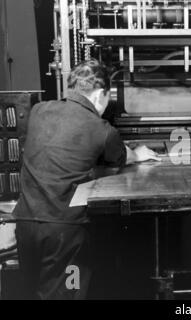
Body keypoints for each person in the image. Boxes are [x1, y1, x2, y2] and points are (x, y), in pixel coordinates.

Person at [12, 60, 160, 300]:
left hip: (25, 224)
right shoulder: (102, 129)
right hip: (64, 235)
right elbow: (120, 157)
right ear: (102, 94)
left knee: (31, 293)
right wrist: (138, 154)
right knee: (68, 294)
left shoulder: (39, 111)